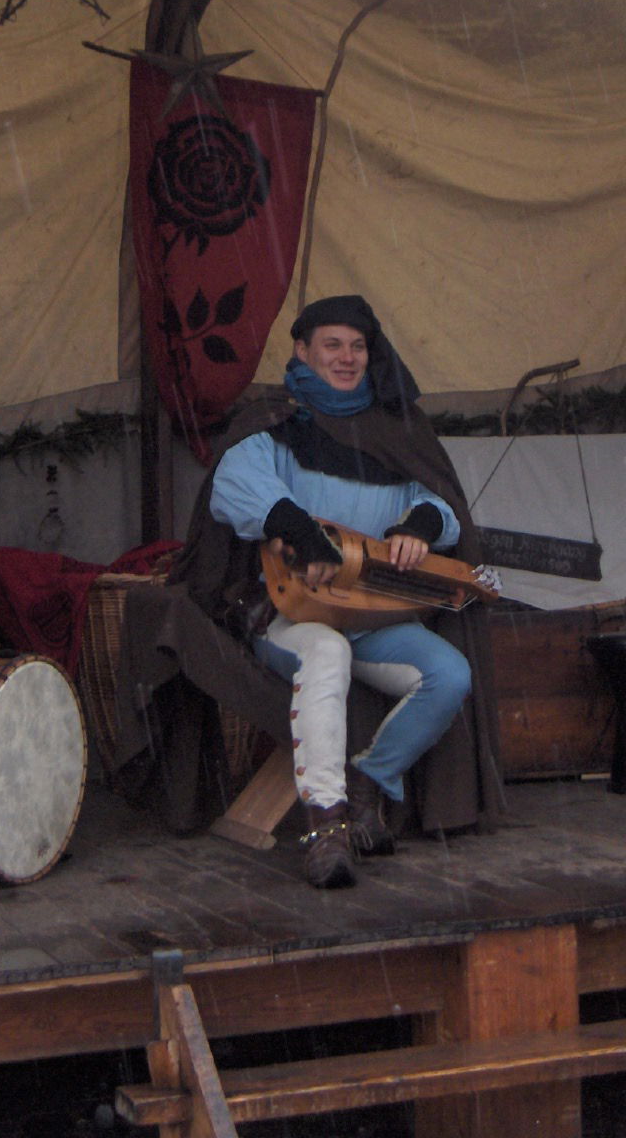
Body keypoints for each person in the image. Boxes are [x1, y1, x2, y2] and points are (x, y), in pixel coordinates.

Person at [203, 295, 475, 888]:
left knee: (450, 675)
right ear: (302, 350)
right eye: (333, 344)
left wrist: (422, 525)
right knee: (328, 651)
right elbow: (233, 482)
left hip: (373, 613)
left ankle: (369, 784)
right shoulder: (277, 418)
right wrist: (301, 532)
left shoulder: (394, 425)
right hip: (292, 611)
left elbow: (440, 501)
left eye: (358, 346)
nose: (347, 357)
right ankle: (326, 826)